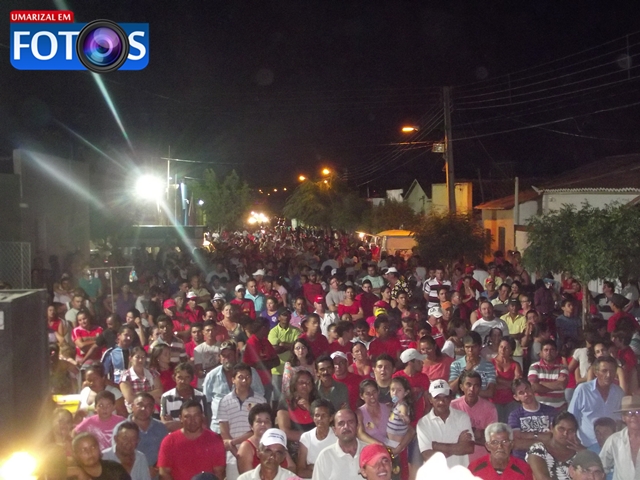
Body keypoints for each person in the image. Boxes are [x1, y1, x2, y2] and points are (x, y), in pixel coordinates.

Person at [203, 339, 265, 433]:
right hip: (218, 428)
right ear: (219, 358)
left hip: (245, 428)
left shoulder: (250, 373)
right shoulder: (211, 376)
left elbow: (260, 397)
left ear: (236, 355)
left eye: (230, 355)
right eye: (223, 356)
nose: (227, 358)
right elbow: (206, 403)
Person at [218, 363, 268, 480]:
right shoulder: (224, 401)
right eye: (240, 377)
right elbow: (224, 432)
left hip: (257, 453)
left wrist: (234, 442)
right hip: (232, 457)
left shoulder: (260, 400)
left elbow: (259, 429)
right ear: (233, 380)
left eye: (248, 377)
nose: (245, 380)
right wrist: (236, 452)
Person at [157, 400, 226, 480]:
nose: (192, 420)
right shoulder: (169, 441)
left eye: (196, 416)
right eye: (187, 416)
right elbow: (164, 473)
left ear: (202, 416)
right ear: (181, 418)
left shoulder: (214, 439)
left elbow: (219, 473)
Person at [416, 379, 474, 467]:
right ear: (430, 399)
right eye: (437, 397)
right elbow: (427, 456)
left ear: (451, 397)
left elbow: (469, 448)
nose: (441, 402)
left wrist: (437, 446)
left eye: (445, 397)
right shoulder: (423, 423)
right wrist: (458, 446)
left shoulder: (462, 417)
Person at [568, 357, 623, 447]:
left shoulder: (619, 392)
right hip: (587, 445)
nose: (608, 375)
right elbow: (571, 417)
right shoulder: (583, 390)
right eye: (604, 371)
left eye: (612, 371)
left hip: (611, 446)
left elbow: (619, 421)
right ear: (596, 372)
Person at [115, 392, 168, 479]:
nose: (143, 408)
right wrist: (142, 470)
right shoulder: (121, 428)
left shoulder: (161, 427)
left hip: (154, 475)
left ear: (153, 409)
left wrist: (155, 469)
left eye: (148, 406)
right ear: (132, 406)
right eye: (140, 405)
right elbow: (117, 455)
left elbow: (165, 453)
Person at [451, 370, 498, 463]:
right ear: (461, 387)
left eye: (476, 385)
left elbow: (491, 439)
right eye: (468, 385)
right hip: (458, 459)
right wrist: (477, 433)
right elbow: (450, 434)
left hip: (482, 460)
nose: (472, 389)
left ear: (480, 388)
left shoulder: (490, 408)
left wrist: (465, 434)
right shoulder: (453, 406)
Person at [237, 404, 296, 475]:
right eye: (259, 421)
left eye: (267, 421)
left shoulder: (278, 442)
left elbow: (292, 467)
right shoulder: (246, 446)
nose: (263, 424)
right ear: (251, 426)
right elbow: (247, 476)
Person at [508, 379, 557, 460]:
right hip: (522, 459)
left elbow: (554, 437)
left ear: (532, 388)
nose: (526, 394)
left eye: (527, 389)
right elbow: (517, 443)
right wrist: (542, 437)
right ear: (516, 397)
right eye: (521, 393)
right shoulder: (514, 415)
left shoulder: (550, 411)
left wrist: (525, 435)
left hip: (548, 459)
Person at [526, 412, 582, 480]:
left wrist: (585, 452)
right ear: (551, 428)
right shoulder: (538, 449)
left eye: (570, 430)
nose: (565, 434)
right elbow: (542, 478)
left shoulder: (580, 453)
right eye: (561, 429)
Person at [312, 408, 365, 480]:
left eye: (350, 422)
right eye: (341, 423)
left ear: (357, 427)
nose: (346, 427)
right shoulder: (325, 457)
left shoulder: (370, 451)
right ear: (334, 430)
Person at [468, 422, 534, 480]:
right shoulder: (474, 468)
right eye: (495, 442)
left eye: (505, 441)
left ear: (511, 444)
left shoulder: (523, 469)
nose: (500, 446)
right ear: (487, 446)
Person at [599, 394, 640, 480]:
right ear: (623, 418)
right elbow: (601, 468)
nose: (633, 416)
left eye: (638, 412)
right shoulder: (614, 440)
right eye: (629, 413)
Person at [160, 362, 209, 431]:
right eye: (180, 377)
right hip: (175, 438)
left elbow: (204, 424)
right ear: (174, 378)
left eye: (187, 377)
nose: (183, 381)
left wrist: (174, 423)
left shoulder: (200, 396)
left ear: (192, 378)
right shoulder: (166, 397)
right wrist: (193, 424)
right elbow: (165, 426)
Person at [241, 318, 280, 404]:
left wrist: (265, 364)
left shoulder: (265, 341)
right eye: (268, 327)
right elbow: (258, 365)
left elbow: (277, 361)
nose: (269, 330)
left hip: (267, 381)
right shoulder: (251, 342)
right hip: (255, 383)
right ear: (263, 328)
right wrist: (269, 362)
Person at [297, 399, 338, 479]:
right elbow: (300, 471)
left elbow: (338, 468)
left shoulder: (337, 437)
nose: (320, 419)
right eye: (317, 415)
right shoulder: (306, 437)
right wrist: (324, 471)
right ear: (312, 417)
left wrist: (313, 467)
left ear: (331, 418)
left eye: (324, 415)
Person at [276, 370, 317, 449]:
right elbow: (285, 432)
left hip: (315, 446)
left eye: (308, 382)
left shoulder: (317, 403)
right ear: (294, 384)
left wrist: (310, 409)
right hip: (293, 448)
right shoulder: (285, 402)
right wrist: (310, 437)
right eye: (301, 382)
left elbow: (323, 426)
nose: (305, 385)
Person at [449, 332, 497, 399]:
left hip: (481, 405)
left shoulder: (489, 366)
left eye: (474, 347)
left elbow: (490, 392)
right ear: (463, 348)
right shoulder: (456, 365)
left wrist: (468, 392)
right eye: (467, 347)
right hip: (460, 405)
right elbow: (451, 389)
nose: (470, 350)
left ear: (480, 347)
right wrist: (465, 371)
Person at [269, 308, 301, 402]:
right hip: (277, 369)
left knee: (291, 396)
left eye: (288, 315)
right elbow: (274, 349)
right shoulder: (273, 331)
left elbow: (298, 347)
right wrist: (291, 346)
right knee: (276, 396)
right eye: (283, 315)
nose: (286, 317)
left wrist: (283, 344)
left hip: (292, 368)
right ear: (278, 317)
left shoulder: (296, 331)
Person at [528, 340, 570, 411]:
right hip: (539, 409)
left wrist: (541, 383)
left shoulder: (563, 368)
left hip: (559, 409)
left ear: (556, 352)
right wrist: (556, 384)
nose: (549, 352)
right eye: (546, 350)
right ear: (541, 353)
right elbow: (534, 387)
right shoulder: (534, 367)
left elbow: (562, 385)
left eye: (552, 350)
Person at [119, 347, 163, 412]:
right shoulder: (125, 376)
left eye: (143, 357)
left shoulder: (153, 373)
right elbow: (130, 398)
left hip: (151, 409)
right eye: (137, 357)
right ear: (130, 358)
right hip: (133, 411)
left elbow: (160, 391)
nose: (140, 360)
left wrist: (139, 394)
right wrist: (151, 394)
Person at [492, 338, 523, 423]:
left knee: (511, 428)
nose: (503, 350)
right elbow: (490, 385)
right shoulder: (490, 364)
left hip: (511, 401)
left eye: (506, 348)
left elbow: (517, 386)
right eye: (501, 347)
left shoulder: (515, 365)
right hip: (494, 401)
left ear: (511, 351)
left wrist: (499, 380)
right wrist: (509, 384)